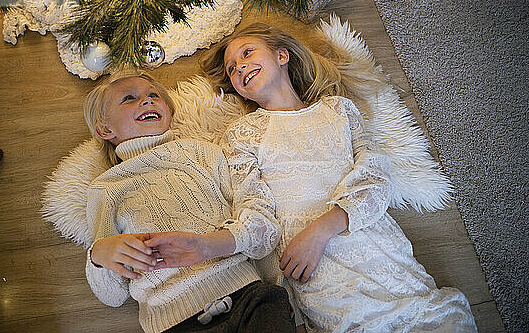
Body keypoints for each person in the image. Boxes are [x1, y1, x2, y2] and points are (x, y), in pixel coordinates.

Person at [149, 23, 477, 332]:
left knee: (429, 316)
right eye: (232, 69)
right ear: (239, 91)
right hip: (316, 270)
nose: (239, 68)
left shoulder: (338, 110)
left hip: (369, 236)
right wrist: (211, 247)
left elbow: (376, 177)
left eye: (247, 53)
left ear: (281, 55)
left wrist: (324, 228)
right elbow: (256, 218)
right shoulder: (242, 135)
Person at [82, 70, 295, 333]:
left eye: (154, 95)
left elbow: (258, 220)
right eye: (129, 98)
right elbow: (112, 297)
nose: (147, 101)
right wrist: (99, 255)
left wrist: (276, 283)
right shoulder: (106, 188)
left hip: (248, 295)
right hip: (175, 321)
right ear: (104, 129)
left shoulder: (204, 153)